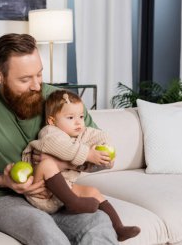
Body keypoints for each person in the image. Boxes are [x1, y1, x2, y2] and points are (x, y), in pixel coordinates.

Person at [0, 33, 119, 245]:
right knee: (44, 230)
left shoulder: (61, 103)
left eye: (39, 75)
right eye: (25, 79)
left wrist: (61, 162)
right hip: (2, 199)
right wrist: (3, 180)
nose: (36, 86)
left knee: (98, 224)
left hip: (60, 195)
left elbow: (100, 157)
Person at [22, 90, 141, 242]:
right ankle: (74, 204)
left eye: (81, 116)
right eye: (70, 118)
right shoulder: (49, 134)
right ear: (52, 121)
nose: (78, 122)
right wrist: (88, 154)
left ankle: (118, 228)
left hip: (63, 192)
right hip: (41, 191)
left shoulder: (78, 133)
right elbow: (64, 148)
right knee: (47, 164)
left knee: (92, 191)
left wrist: (105, 147)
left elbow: (98, 135)